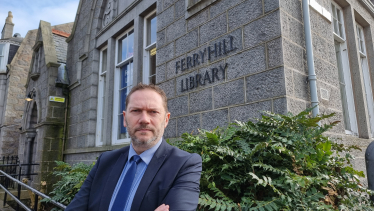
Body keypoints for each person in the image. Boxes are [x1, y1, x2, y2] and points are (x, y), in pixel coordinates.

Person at [65, 83, 202, 211]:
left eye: (153, 112)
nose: (144, 119)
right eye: (136, 110)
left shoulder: (184, 165)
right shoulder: (105, 161)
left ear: (166, 120)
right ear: (125, 118)